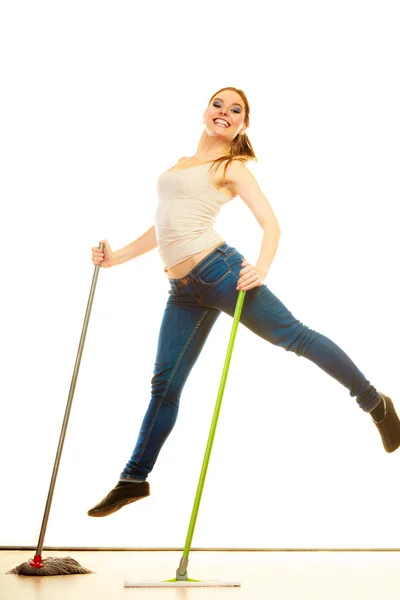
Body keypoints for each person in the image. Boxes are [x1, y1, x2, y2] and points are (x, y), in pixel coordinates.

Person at [87, 86, 400, 518]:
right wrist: (116, 257)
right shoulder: (180, 166)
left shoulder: (232, 167)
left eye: (235, 110)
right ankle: (134, 479)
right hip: (182, 293)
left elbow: (271, 225)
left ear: (242, 124)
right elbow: (165, 227)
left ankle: (373, 401)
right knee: (165, 386)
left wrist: (262, 267)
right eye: (219, 104)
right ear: (205, 111)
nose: (225, 112)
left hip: (221, 274)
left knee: (296, 337)